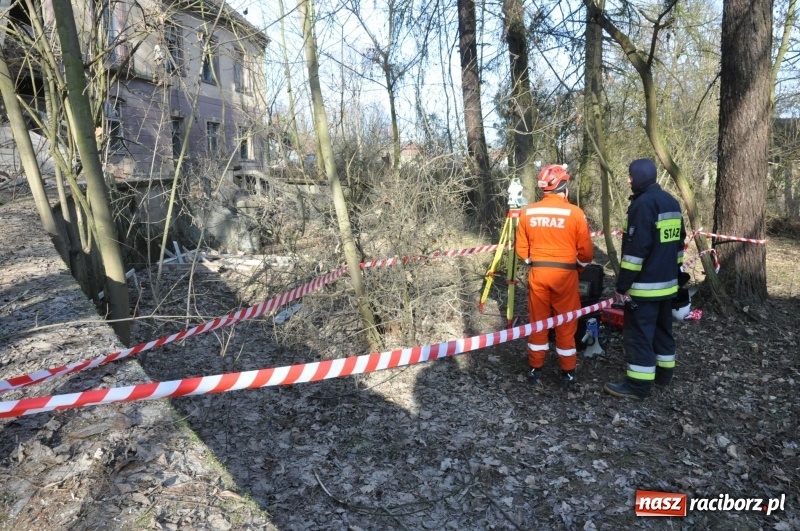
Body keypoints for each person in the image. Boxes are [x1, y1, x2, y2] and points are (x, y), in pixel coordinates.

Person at [604, 158, 686, 400]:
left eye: (631, 176)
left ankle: (638, 386)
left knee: (639, 335)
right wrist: (676, 273)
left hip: (645, 289)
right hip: (668, 285)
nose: (629, 180)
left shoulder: (642, 205)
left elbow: (634, 253)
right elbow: (679, 244)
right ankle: (663, 376)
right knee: (663, 331)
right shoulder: (671, 202)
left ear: (639, 177)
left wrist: (622, 286)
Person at [515, 164, 594, 389]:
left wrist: (535, 262)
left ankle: (535, 368)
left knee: (538, 322)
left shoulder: (527, 212)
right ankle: (567, 373)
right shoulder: (575, 213)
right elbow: (586, 253)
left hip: (538, 274)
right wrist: (576, 268)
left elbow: (522, 250)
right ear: (564, 188)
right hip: (566, 276)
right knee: (566, 324)